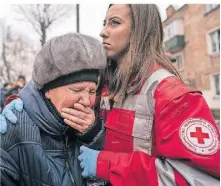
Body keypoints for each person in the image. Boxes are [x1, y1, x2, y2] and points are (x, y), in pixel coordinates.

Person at [1, 4, 220, 186]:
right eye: (104, 23)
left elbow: (200, 179)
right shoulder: (106, 85)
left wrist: (105, 164)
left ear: (140, 30)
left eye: (114, 23)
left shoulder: (175, 98)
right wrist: (23, 104)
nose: (103, 32)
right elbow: (57, 80)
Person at [0, 32, 107, 186]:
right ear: (48, 90)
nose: (87, 101)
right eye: (77, 90)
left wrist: (95, 138)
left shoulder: (96, 127)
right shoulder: (13, 127)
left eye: (92, 92)